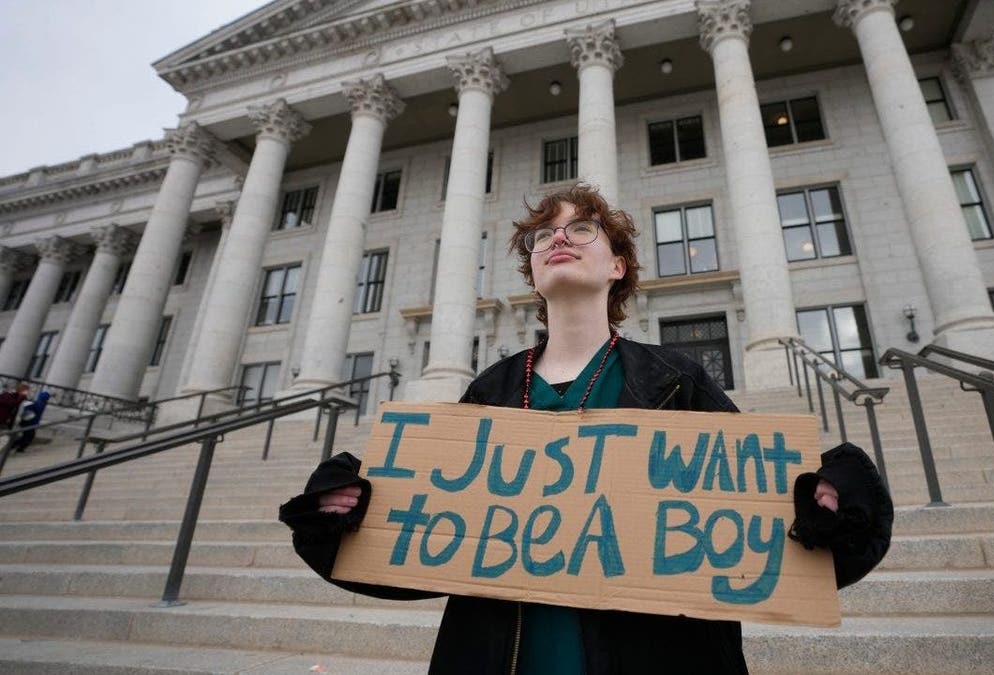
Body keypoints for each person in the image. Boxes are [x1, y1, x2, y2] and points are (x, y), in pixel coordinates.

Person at [280, 185, 893, 674]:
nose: (558, 239)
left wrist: (827, 503)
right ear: (533, 272)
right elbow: (435, 550)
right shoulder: (489, 389)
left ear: (617, 264)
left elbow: (759, 530)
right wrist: (351, 517)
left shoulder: (675, 379)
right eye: (543, 235)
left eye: (580, 229)